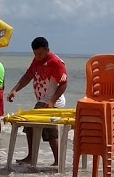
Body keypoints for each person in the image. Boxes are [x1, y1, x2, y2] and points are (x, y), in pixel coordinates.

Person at [6, 36, 69, 166]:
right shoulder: (36, 60)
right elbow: (28, 75)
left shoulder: (56, 63)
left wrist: (52, 102)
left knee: (49, 131)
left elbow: (63, 84)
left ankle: (58, 160)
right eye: (35, 54)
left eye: (40, 54)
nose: (38, 56)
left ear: (47, 49)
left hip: (54, 101)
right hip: (42, 101)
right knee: (29, 126)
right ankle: (31, 156)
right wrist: (15, 90)